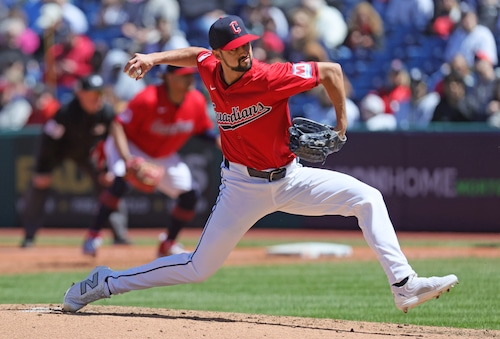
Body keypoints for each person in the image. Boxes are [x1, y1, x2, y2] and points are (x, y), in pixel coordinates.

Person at [63, 15, 458, 314]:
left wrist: (340, 123)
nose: (245, 51)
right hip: (241, 188)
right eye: (236, 47)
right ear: (219, 54)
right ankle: (106, 282)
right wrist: (153, 57)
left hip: (290, 178)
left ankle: (404, 285)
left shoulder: (270, 76)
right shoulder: (210, 69)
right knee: (199, 268)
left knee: (367, 198)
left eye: (247, 43)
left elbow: (332, 72)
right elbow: (193, 55)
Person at [82, 64, 217, 257]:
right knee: (120, 182)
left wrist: (216, 140)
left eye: (191, 75)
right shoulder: (148, 98)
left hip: (163, 154)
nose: (189, 80)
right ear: (169, 78)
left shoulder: (195, 100)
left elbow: (202, 130)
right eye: (183, 75)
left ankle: (168, 243)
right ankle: (92, 236)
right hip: (132, 145)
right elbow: (118, 125)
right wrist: (128, 159)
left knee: (190, 195)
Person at [20, 74, 130, 248]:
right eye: (92, 94)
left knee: (109, 185)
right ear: (81, 95)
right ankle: (29, 236)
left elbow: (112, 143)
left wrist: (108, 168)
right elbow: (48, 141)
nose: (97, 98)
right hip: (58, 152)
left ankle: (120, 234)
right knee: (39, 184)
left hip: (87, 154)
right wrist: (43, 169)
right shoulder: (65, 113)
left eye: (99, 93)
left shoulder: (106, 112)